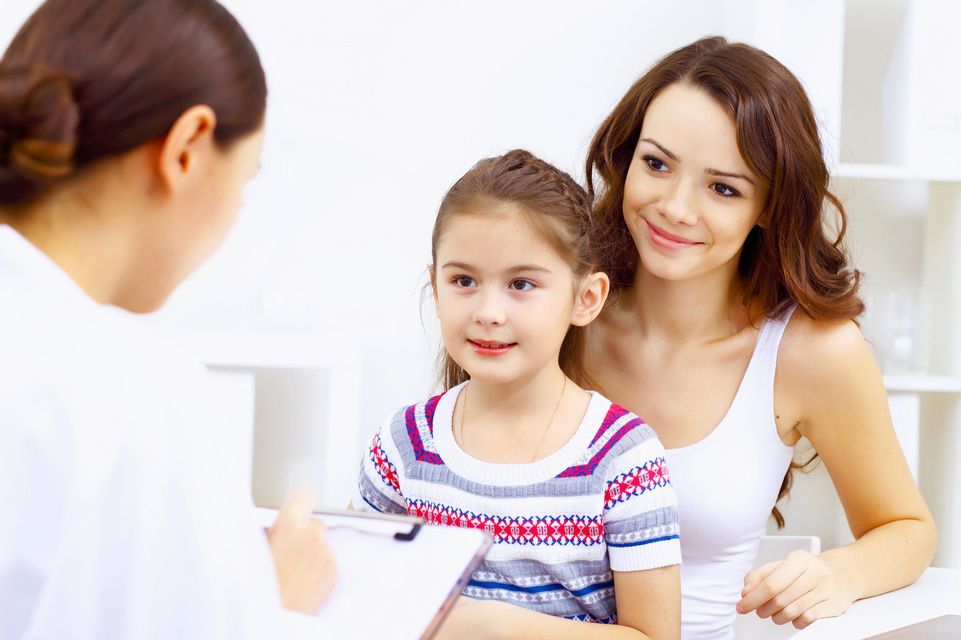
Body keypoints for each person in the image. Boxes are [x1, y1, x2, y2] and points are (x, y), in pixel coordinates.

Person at [0, 0, 337, 638]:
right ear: (185, 149)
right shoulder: (138, 396)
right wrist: (274, 607)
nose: (236, 211)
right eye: (245, 179)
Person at [582, 36, 936, 639]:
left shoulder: (812, 353)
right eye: (657, 163)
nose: (674, 207)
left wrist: (838, 573)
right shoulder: (556, 314)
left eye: (724, 188)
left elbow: (907, 528)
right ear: (625, 156)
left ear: (770, 207)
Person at [355, 149, 681, 639]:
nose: (488, 311)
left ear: (585, 298)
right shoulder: (402, 446)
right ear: (436, 287)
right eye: (463, 280)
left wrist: (493, 626)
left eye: (521, 284)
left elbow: (655, 637)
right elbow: (364, 608)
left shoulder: (623, 457)